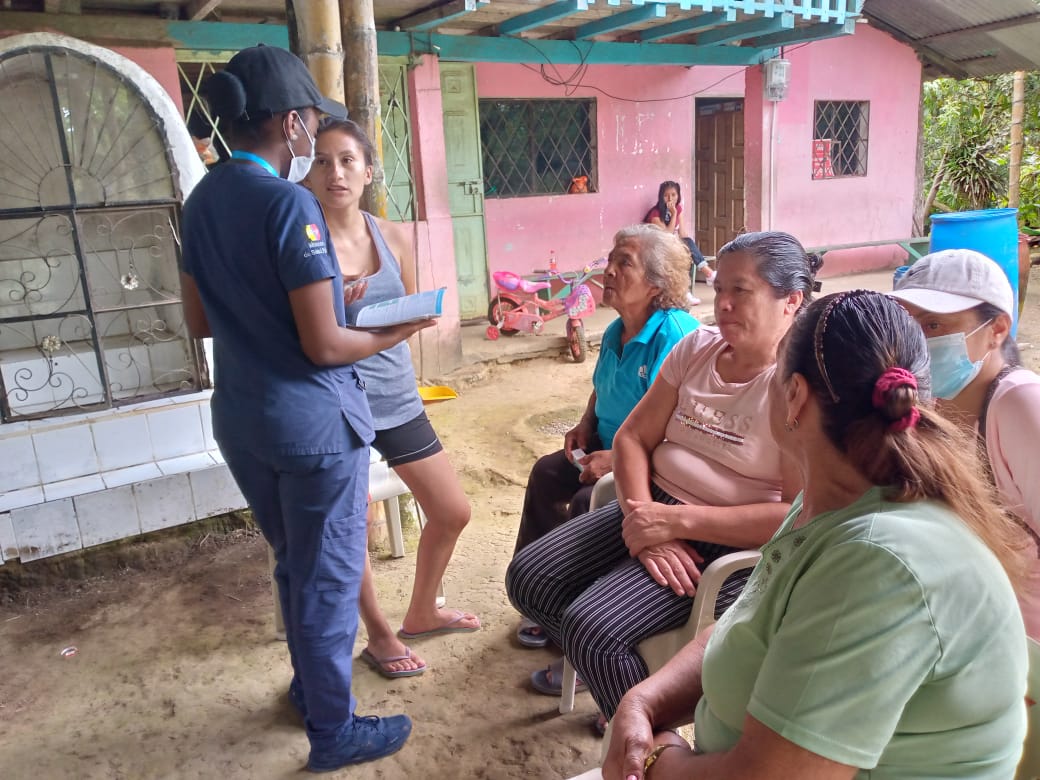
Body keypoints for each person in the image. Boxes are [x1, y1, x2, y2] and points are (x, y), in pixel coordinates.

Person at [604, 290, 1030, 780]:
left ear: (794, 396)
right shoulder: (827, 503)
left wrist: (657, 760)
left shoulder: (879, 563)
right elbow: (744, 625)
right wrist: (643, 700)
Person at [179, 45, 431, 772]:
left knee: (296, 565)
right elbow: (324, 346)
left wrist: (304, 310)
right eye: (313, 124)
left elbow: (200, 319)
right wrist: (396, 328)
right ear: (292, 124)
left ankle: (310, 691)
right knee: (326, 579)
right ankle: (334, 731)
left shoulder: (203, 199)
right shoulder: (290, 204)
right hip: (312, 427)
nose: (315, 139)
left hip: (244, 420)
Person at [506, 231, 819, 729]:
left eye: (741, 291)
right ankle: (623, 690)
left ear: (792, 301)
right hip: (650, 507)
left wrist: (674, 523)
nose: (723, 303)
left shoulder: (795, 387)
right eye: (719, 288)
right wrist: (644, 522)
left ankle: (649, 742)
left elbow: (794, 515)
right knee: (529, 580)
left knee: (593, 629)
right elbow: (632, 438)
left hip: (724, 541)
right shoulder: (697, 347)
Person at [303, 118, 479, 678]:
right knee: (349, 528)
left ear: (368, 171)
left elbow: (408, 308)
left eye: (347, 160)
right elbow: (305, 334)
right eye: (322, 161)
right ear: (308, 173)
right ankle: (379, 635)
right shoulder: (303, 243)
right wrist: (337, 305)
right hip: (337, 404)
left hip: (396, 396)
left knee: (451, 510)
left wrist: (402, 316)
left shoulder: (393, 236)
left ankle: (423, 611)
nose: (335, 173)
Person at [512, 224, 700, 649]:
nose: (608, 271)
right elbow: (602, 385)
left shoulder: (673, 334)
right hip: (608, 446)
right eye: (610, 260)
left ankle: (575, 624)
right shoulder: (618, 329)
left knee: (587, 502)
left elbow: (680, 426)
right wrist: (585, 423)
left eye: (624, 263)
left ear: (655, 284)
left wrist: (615, 460)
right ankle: (538, 601)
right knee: (546, 474)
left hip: (651, 460)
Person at [891, 249, 1040, 639]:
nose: (916, 340)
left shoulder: (1020, 404)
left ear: (997, 329)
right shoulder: (927, 406)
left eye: (933, 324)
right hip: (966, 631)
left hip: (1024, 643)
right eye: (907, 323)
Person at [644, 181, 713, 304]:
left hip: (670, 245)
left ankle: (705, 275)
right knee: (676, 257)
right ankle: (688, 290)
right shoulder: (655, 213)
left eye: (673, 195)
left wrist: (685, 249)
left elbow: (682, 234)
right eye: (666, 195)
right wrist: (674, 214)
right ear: (661, 197)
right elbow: (667, 235)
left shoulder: (678, 208)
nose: (670, 198)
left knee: (687, 244)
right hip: (655, 247)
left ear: (678, 195)